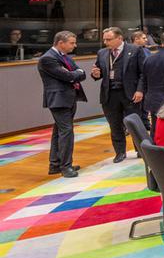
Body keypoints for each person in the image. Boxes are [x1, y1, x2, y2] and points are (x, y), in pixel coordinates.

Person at [90, 27, 146, 163]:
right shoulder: (102, 53)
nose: (105, 42)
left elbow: (143, 73)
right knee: (114, 125)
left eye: (109, 39)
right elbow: (99, 72)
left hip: (131, 93)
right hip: (109, 95)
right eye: (104, 40)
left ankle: (141, 150)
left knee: (135, 123)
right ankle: (120, 152)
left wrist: (140, 90)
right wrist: (95, 74)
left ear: (119, 38)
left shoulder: (135, 50)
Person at [39, 31, 87, 178]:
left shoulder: (64, 56)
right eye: (72, 43)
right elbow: (69, 76)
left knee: (59, 132)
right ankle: (66, 167)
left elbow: (81, 74)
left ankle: (55, 164)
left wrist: (76, 74)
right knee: (66, 132)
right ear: (61, 43)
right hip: (59, 100)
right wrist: (76, 74)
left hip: (68, 98)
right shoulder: (47, 59)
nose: (75, 45)